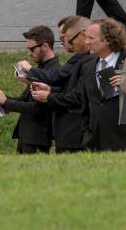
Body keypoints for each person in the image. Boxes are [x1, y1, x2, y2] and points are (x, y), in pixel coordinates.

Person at [31, 16, 95, 153]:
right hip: (68, 132)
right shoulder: (80, 58)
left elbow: (77, 96)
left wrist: (49, 96)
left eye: (67, 39)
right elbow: (67, 87)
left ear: (83, 35)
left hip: (76, 132)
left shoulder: (89, 60)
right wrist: (50, 90)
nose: (67, 43)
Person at [0, 26, 60, 154]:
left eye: (32, 48)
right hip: (28, 136)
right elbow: (24, 100)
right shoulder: (42, 69)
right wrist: (3, 98)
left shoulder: (53, 71)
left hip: (37, 138)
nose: (29, 52)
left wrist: (7, 102)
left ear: (45, 46)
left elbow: (37, 108)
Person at [75, 18, 126, 151]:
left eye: (91, 38)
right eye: (86, 37)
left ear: (108, 40)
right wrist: (86, 134)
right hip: (94, 143)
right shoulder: (87, 66)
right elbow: (85, 105)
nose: (86, 42)